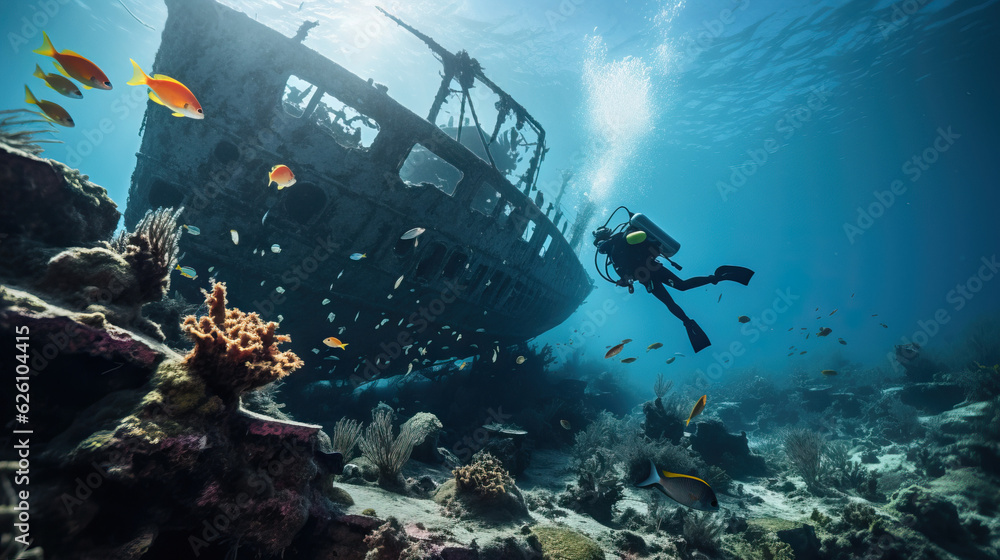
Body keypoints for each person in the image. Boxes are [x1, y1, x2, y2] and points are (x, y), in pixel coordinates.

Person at [593, 226, 754, 353]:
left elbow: (639, 249)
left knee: (676, 294)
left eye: (599, 243)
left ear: (604, 237)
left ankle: (715, 280)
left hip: (651, 273)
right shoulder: (614, 255)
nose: (600, 247)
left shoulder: (621, 239)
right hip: (649, 275)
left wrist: (627, 278)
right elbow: (628, 273)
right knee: (677, 293)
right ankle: (711, 286)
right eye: (598, 245)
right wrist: (625, 281)